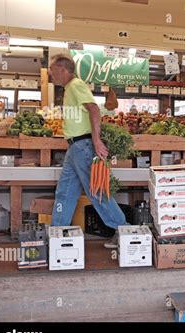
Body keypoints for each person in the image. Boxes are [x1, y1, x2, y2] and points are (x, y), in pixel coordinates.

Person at [48, 53, 126, 249]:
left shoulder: (76, 86)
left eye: (52, 70)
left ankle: (123, 230)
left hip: (83, 146)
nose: (51, 75)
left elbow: (94, 109)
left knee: (96, 192)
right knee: (65, 191)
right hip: (74, 147)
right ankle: (57, 232)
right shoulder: (68, 89)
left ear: (63, 70)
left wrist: (97, 141)